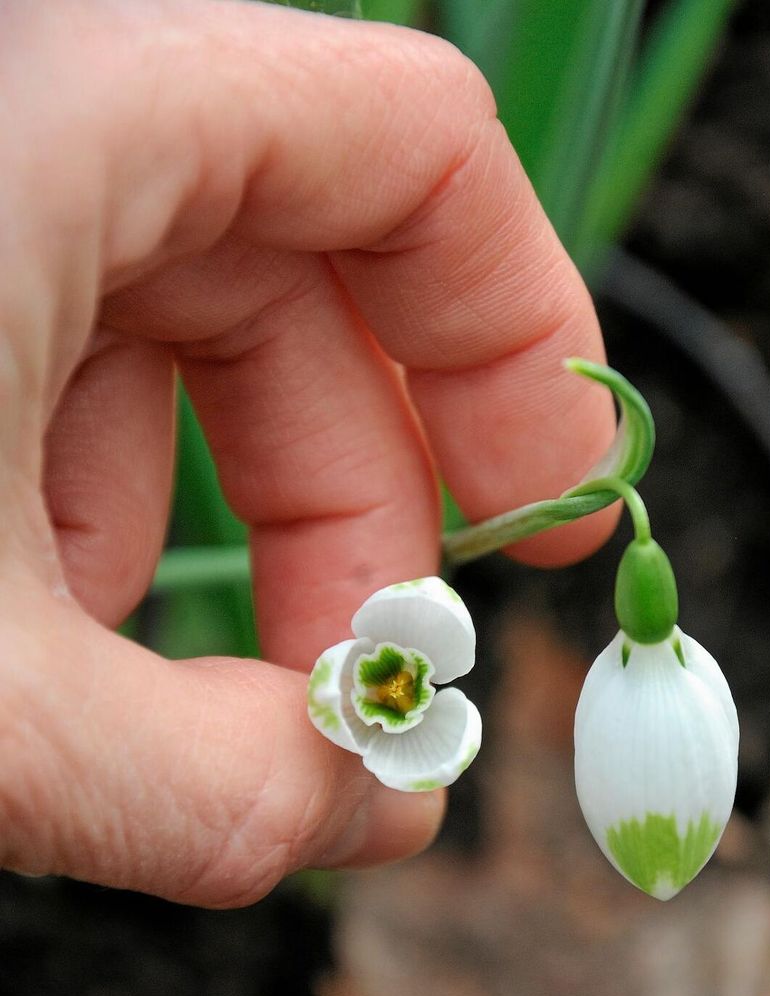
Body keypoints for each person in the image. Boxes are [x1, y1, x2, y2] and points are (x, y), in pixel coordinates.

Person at [0, 0, 617, 908]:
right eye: (397, 683)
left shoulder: (407, 673)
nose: (398, 686)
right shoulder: (387, 665)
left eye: (395, 687)